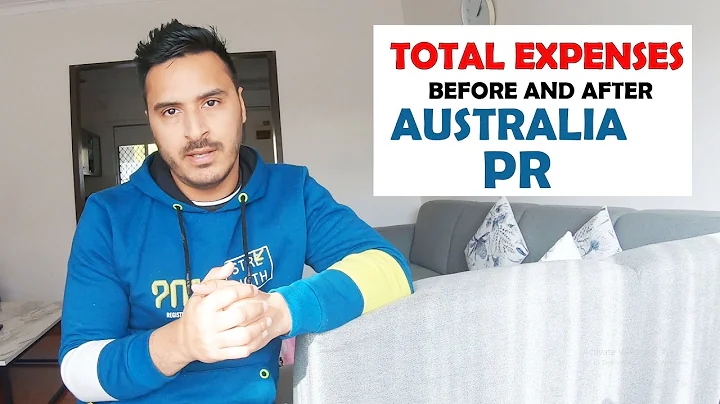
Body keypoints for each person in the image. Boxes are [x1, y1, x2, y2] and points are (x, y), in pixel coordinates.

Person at [59, 19, 414, 403]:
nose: (195, 131)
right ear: (151, 121)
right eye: (171, 111)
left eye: (211, 102)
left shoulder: (292, 191)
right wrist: (182, 342)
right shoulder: (108, 216)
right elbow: (78, 371)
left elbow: (390, 269)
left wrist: (278, 312)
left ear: (241, 105)